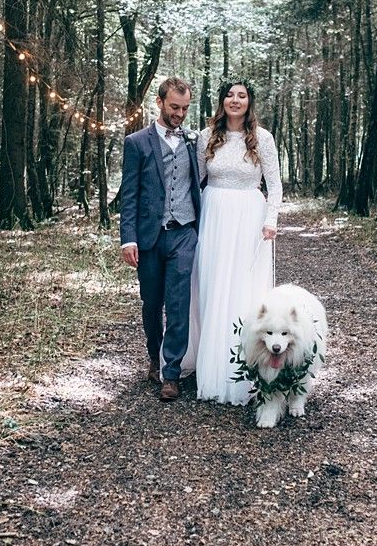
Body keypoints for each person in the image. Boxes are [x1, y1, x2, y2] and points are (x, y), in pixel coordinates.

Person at [190, 77, 283, 405]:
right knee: (213, 286)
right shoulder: (206, 136)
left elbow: (274, 184)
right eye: (229, 95)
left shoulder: (263, 138)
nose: (235, 100)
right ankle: (210, 365)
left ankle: (246, 370)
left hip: (249, 218)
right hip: (213, 215)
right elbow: (193, 180)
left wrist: (271, 220)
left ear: (249, 102)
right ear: (222, 101)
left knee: (245, 290)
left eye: (241, 95)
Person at [120, 77, 201, 401]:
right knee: (152, 304)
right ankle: (154, 356)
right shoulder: (136, 142)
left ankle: (171, 373)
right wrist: (128, 239)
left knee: (178, 304)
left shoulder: (194, 142)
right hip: (150, 237)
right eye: (174, 107)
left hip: (184, 233)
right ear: (160, 102)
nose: (179, 114)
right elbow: (129, 194)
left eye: (184, 108)